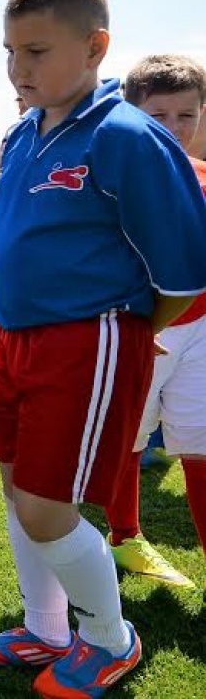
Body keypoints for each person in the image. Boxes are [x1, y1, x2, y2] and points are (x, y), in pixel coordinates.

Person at [0, 0, 206, 698]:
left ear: (96, 46)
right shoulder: (24, 132)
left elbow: (183, 275)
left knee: (46, 504)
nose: (16, 67)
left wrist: (125, 334)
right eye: (9, 50)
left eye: (36, 51)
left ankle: (111, 638)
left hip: (87, 339)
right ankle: (46, 627)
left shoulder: (128, 134)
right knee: (16, 491)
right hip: (12, 338)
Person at [100, 54, 206, 589]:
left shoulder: (204, 176)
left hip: (201, 334)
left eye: (186, 115)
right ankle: (125, 538)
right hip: (141, 333)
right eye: (157, 116)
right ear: (131, 113)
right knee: (129, 440)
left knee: (202, 443)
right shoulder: (113, 182)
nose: (173, 129)